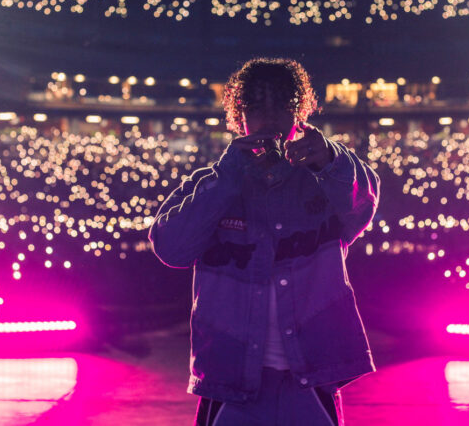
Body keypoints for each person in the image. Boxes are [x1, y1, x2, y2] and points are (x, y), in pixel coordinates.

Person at [149, 57, 380, 425]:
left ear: (300, 113)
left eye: (281, 105)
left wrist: (330, 158)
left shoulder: (326, 178)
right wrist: (228, 176)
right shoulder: (211, 183)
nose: (269, 118)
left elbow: (364, 203)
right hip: (231, 379)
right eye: (256, 107)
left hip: (311, 376)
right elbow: (171, 248)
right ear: (238, 118)